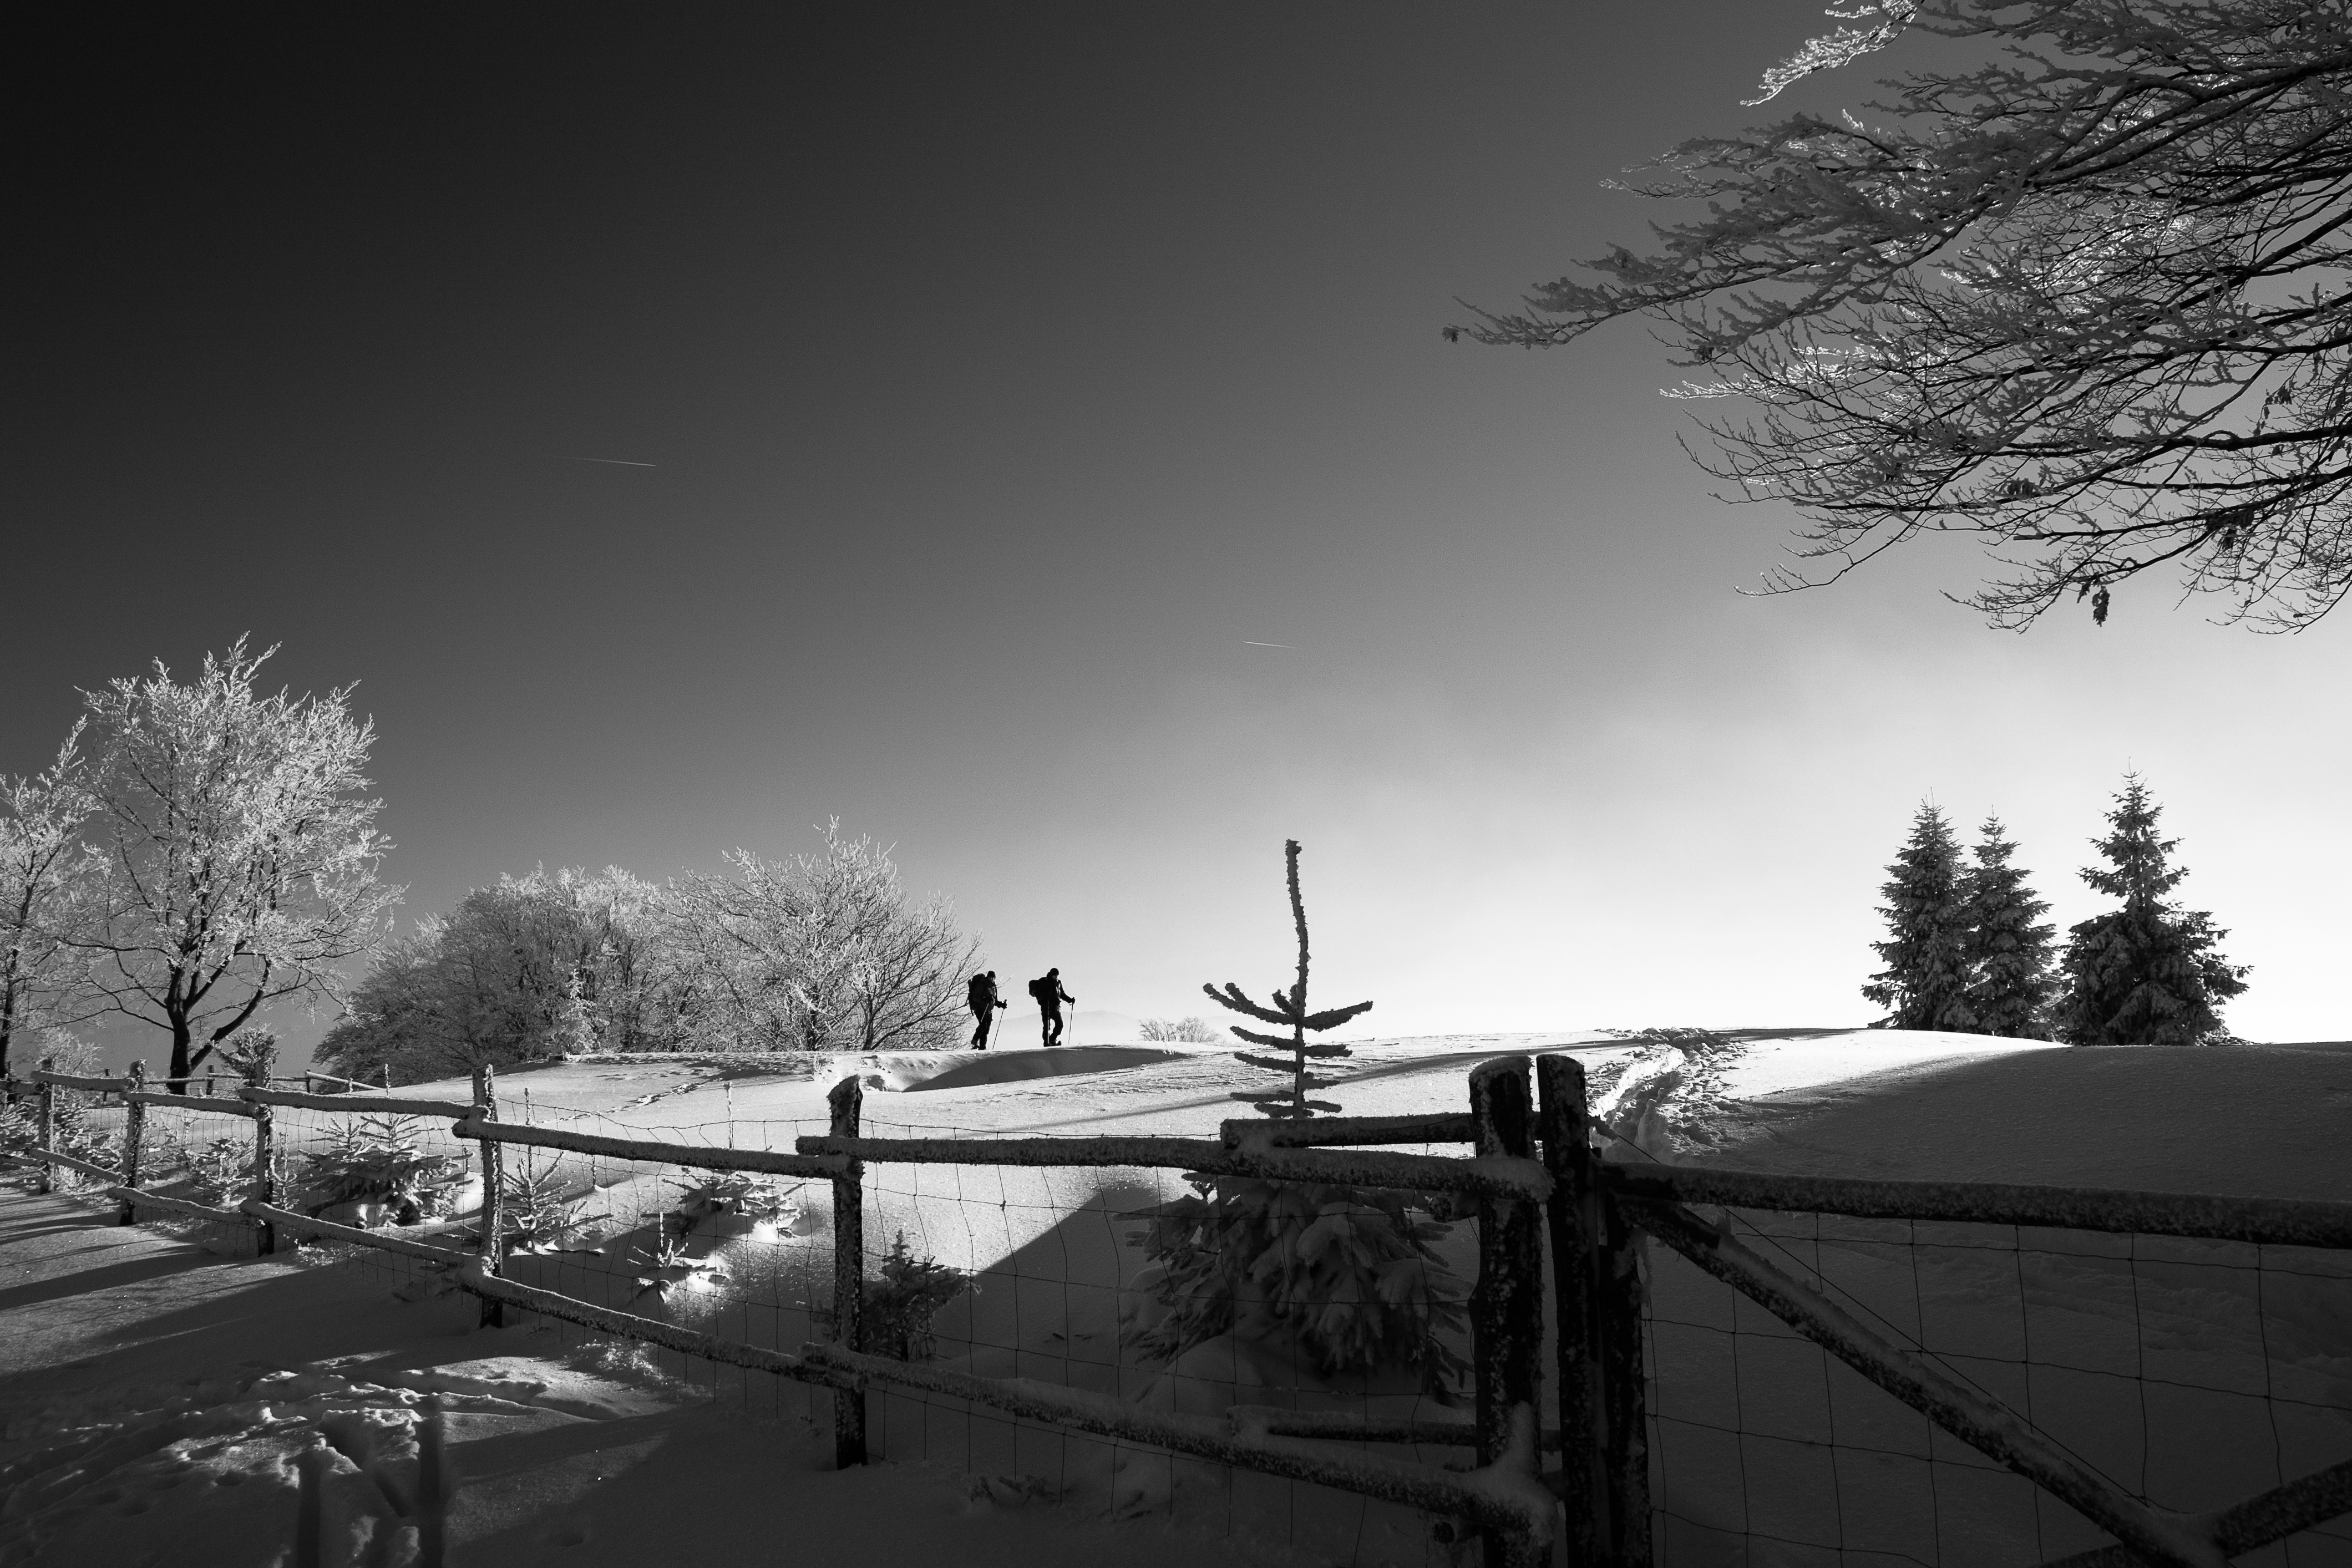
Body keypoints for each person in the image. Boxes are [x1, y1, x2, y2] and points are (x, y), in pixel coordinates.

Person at [1027, 967, 1076, 1048]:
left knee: (1060, 1025)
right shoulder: (1044, 982)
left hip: (1056, 1007)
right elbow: (1037, 991)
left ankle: (1052, 1039)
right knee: (1047, 1026)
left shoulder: (1058, 983)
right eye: (1055, 976)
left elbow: (1062, 994)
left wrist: (1070, 1000)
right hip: (1046, 1007)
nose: (1056, 977)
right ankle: (1047, 1042)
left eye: (1057, 976)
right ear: (1052, 975)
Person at [965, 971, 1005, 1050]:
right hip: (979, 1008)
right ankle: (975, 1041)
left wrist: (1001, 1005)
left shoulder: (994, 988)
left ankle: (982, 1047)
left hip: (988, 1010)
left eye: (993, 978)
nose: (991, 979)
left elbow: (994, 1001)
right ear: (987, 977)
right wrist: (984, 1000)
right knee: (984, 1025)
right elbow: (975, 997)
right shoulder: (981, 985)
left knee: (986, 1030)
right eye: (990, 977)